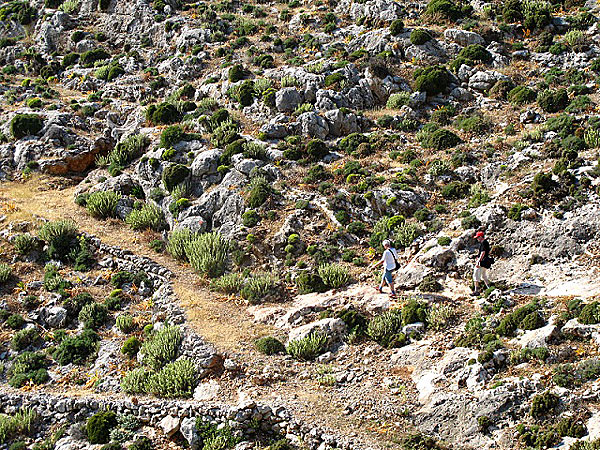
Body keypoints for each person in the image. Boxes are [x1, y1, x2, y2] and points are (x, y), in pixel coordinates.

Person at [473, 230, 492, 295]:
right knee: (484, 276)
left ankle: (476, 291)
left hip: (482, 262)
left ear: (481, 237)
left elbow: (483, 253)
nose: (477, 239)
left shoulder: (484, 243)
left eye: (478, 237)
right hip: (486, 262)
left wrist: (478, 261)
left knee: (476, 275)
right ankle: (489, 288)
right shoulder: (485, 242)